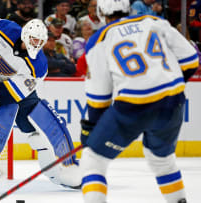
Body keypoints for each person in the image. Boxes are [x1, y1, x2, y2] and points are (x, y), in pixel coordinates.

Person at [79, 0, 199, 203]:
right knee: (162, 160)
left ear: (100, 12)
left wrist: (92, 127)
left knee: (93, 160)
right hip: (173, 100)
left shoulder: (100, 39)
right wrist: (169, 85)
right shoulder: (154, 21)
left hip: (133, 105)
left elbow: (99, 96)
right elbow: (190, 59)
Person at [0, 17, 82, 195]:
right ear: (24, 35)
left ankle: (65, 171)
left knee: (49, 126)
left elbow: (7, 95)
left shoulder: (38, 65)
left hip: (22, 96)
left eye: (40, 41)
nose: (36, 44)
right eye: (33, 39)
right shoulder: (5, 28)